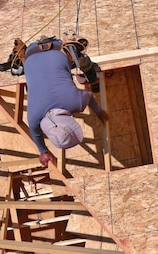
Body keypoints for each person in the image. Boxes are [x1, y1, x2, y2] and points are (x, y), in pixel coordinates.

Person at [22, 35, 108, 167]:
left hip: (57, 48)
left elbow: (89, 96)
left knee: (84, 62)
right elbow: (35, 133)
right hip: (30, 52)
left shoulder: (76, 104)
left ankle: (92, 76)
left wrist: (98, 111)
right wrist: (43, 152)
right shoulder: (33, 117)